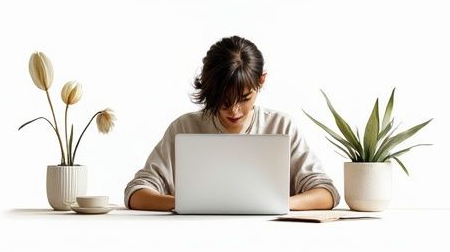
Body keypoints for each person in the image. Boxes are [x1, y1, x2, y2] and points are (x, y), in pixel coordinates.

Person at [124, 36, 340, 211]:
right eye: (224, 101)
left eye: (245, 98)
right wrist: (186, 205)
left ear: (261, 81)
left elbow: (326, 193)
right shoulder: (184, 128)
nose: (234, 111)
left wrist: (277, 205)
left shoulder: (281, 127)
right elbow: (136, 193)